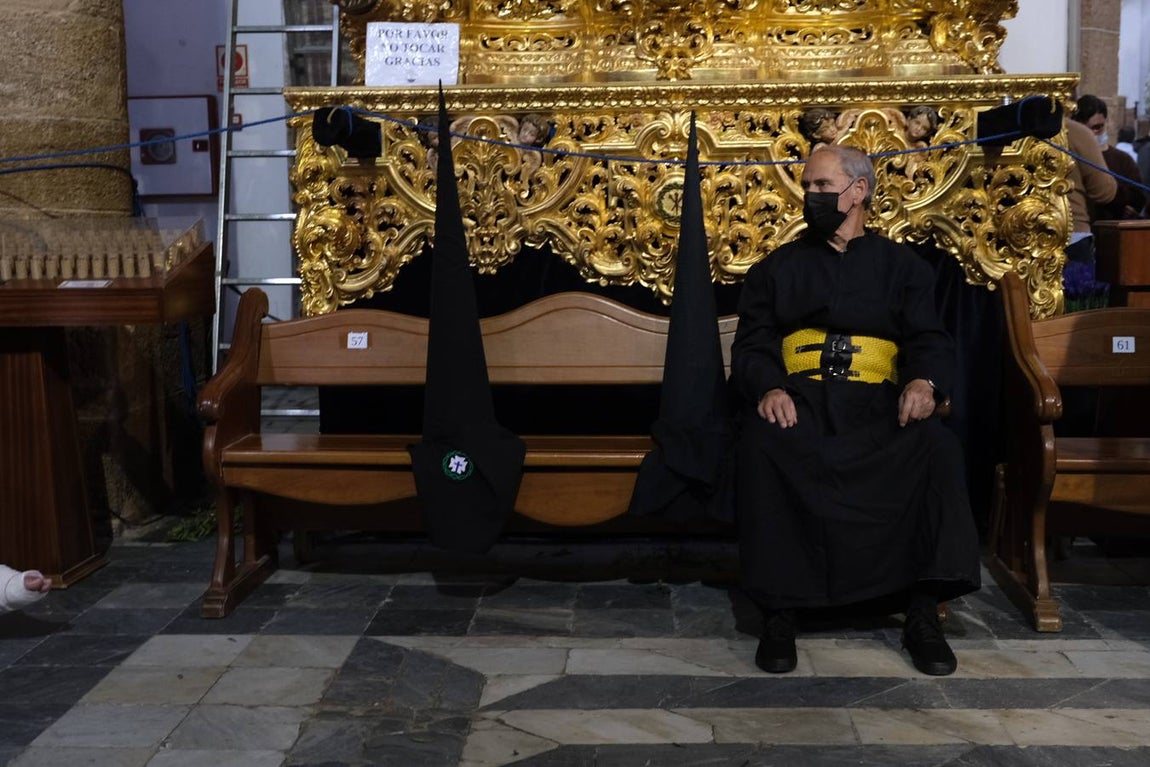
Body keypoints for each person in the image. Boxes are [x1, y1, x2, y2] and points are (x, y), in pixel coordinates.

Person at [730, 144, 981, 677]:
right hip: (803, 401)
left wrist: (923, 381)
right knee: (763, 442)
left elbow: (931, 339)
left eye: (822, 186)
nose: (810, 196)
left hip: (876, 405)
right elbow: (752, 344)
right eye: (808, 186)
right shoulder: (777, 268)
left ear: (858, 191)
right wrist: (769, 387)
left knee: (936, 447)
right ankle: (778, 610)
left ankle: (921, 613)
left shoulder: (904, 267)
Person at [1072, 95, 1142, 221]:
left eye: (1097, 128)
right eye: (1085, 130)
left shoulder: (1123, 160)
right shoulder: (1069, 159)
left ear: (1106, 123)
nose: (1092, 134)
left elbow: (1138, 198)